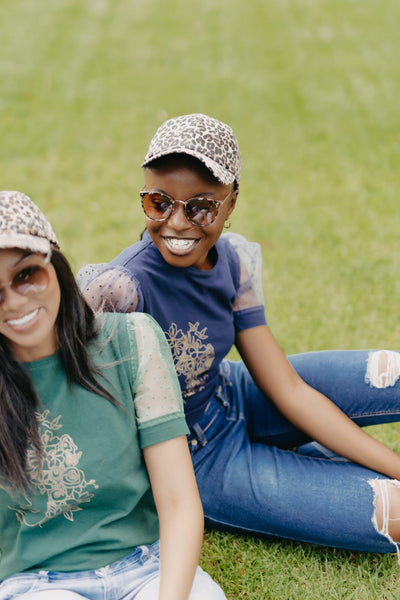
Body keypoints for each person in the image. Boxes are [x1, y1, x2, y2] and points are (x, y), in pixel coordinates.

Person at [78, 113, 400, 558]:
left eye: (200, 206)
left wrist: (394, 465)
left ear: (230, 204)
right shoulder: (119, 289)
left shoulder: (233, 261)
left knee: (390, 373)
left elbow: (287, 389)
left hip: (236, 394)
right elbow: (59, 390)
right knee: (391, 512)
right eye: (159, 202)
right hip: (194, 459)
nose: (176, 223)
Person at [0, 191, 226, 600]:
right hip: (37, 585)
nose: (15, 302)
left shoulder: (131, 340)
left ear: (56, 266)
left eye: (26, 274)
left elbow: (178, 502)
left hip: (147, 568)